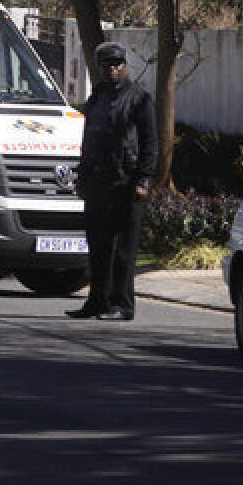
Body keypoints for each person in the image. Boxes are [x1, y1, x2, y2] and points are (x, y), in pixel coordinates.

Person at [66, 42, 157, 321]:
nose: (113, 69)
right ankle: (97, 301)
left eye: (118, 63)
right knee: (98, 247)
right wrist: (82, 177)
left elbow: (150, 144)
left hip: (126, 184)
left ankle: (122, 305)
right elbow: (88, 141)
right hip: (97, 183)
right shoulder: (96, 99)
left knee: (123, 251)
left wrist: (143, 180)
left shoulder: (139, 99)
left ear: (125, 66)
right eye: (107, 64)